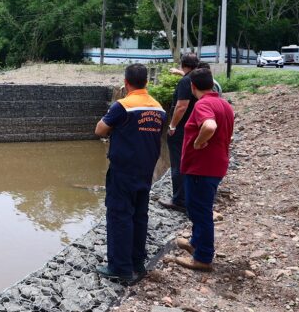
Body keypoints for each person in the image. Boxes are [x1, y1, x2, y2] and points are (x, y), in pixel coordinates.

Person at [94, 63, 167, 282]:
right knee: (139, 215)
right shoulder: (158, 108)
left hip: (123, 170)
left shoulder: (123, 106)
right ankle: (138, 263)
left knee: (119, 215)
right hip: (146, 170)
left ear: (126, 83)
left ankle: (120, 268)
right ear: (146, 82)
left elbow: (99, 129)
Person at [170, 66, 235, 272]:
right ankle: (195, 243)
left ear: (192, 86)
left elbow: (209, 126)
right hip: (214, 165)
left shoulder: (203, 105)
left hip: (202, 168)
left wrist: (198, 143)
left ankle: (203, 258)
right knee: (197, 207)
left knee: (201, 211)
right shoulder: (223, 104)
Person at [161, 53, 201, 212]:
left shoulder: (186, 81)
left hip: (182, 129)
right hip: (195, 128)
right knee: (191, 163)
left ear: (183, 65)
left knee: (178, 164)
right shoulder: (200, 78)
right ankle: (191, 196)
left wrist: (172, 126)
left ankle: (179, 200)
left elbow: (181, 106)